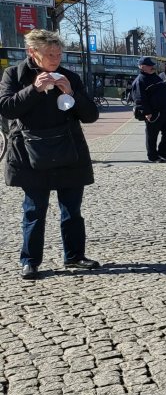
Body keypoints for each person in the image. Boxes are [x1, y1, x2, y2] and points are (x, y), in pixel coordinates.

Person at [0, 29, 101, 279]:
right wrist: (33, 90)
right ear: (32, 53)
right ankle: (30, 261)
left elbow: (91, 116)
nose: (56, 58)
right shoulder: (14, 74)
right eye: (49, 54)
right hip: (30, 152)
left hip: (68, 150)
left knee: (72, 210)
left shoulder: (68, 76)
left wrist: (72, 94)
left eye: (58, 53)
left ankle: (75, 256)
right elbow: (6, 108)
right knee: (34, 210)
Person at [131, 56, 166, 163]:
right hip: (153, 112)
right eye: (149, 65)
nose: (152, 67)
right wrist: (147, 112)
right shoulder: (140, 80)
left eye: (152, 65)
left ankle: (163, 153)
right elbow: (140, 99)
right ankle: (153, 156)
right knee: (152, 135)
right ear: (142, 67)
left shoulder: (155, 77)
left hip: (164, 111)